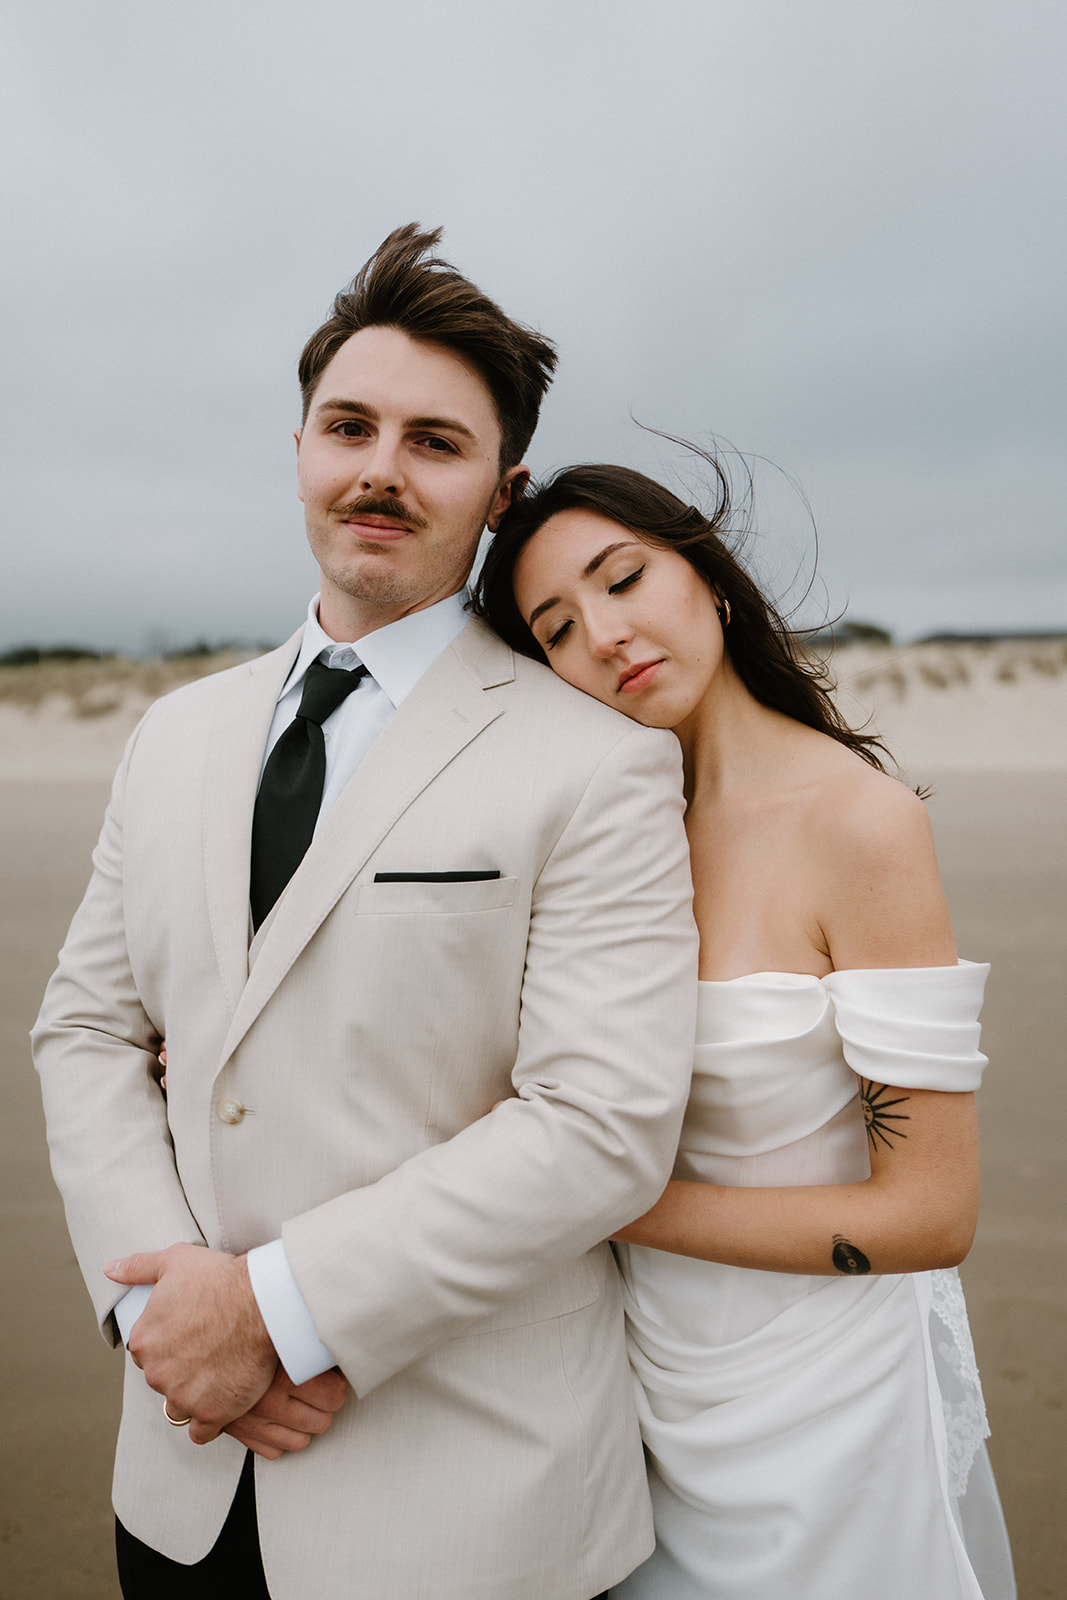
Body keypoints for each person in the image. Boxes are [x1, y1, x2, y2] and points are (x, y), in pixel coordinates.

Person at [31, 231, 700, 1600]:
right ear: (298, 451)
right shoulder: (172, 734)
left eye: (433, 442)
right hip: (180, 1480)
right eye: (349, 427)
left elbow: (600, 1126)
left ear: (497, 489)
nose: (380, 469)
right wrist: (168, 1315)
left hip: (463, 1516)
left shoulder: (595, 762)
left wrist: (279, 1311)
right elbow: (86, 1031)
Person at [476, 460, 1016, 1600]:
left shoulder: (857, 824)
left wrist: (614, 1197)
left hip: (828, 1408)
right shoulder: (604, 838)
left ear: (708, 575)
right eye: (557, 628)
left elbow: (928, 1212)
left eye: (623, 578)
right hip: (636, 1385)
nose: (607, 634)